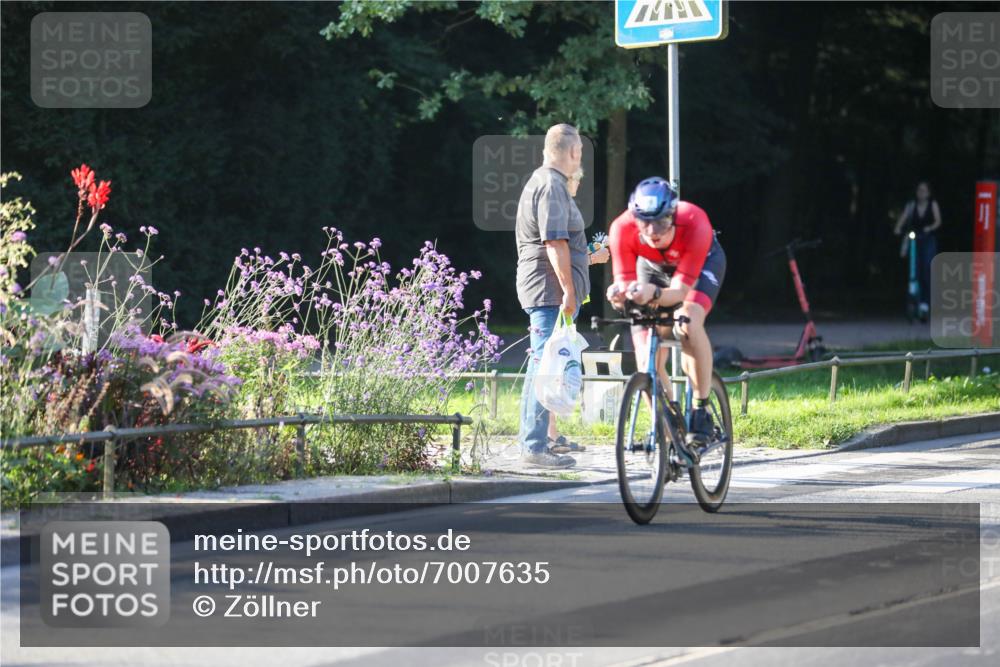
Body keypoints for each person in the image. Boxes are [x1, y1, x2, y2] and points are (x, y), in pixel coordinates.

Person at [606, 177, 726, 451]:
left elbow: (679, 292)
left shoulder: (695, 221)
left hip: (700, 265)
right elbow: (624, 284)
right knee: (645, 353)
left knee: (687, 323)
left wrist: (655, 294)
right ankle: (666, 428)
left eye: (660, 222)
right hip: (652, 268)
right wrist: (619, 296)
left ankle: (701, 409)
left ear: (673, 215)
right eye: (643, 222)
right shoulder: (621, 229)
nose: (651, 230)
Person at [515, 124, 589, 469]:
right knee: (544, 368)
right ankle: (533, 447)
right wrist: (569, 291)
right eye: (580, 154)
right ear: (573, 152)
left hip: (546, 286)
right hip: (547, 288)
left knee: (544, 365)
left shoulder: (547, 182)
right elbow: (555, 242)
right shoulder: (551, 185)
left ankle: (538, 440)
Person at [546, 167, 609, 455]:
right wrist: (594, 257)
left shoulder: (564, 207)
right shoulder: (557, 207)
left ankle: (551, 433)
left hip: (567, 299)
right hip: (559, 299)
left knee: (555, 365)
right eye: (576, 178)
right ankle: (546, 435)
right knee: (551, 366)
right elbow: (560, 252)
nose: (579, 184)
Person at [893, 181, 941, 316]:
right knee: (914, 269)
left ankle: (926, 302)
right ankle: (913, 297)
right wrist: (898, 228)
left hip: (927, 238)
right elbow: (902, 219)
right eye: (919, 190)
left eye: (924, 190)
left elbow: (938, 221)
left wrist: (930, 228)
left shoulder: (932, 205)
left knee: (926, 267)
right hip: (914, 239)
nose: (921, 193)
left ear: (928, 193)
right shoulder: (911, 205)